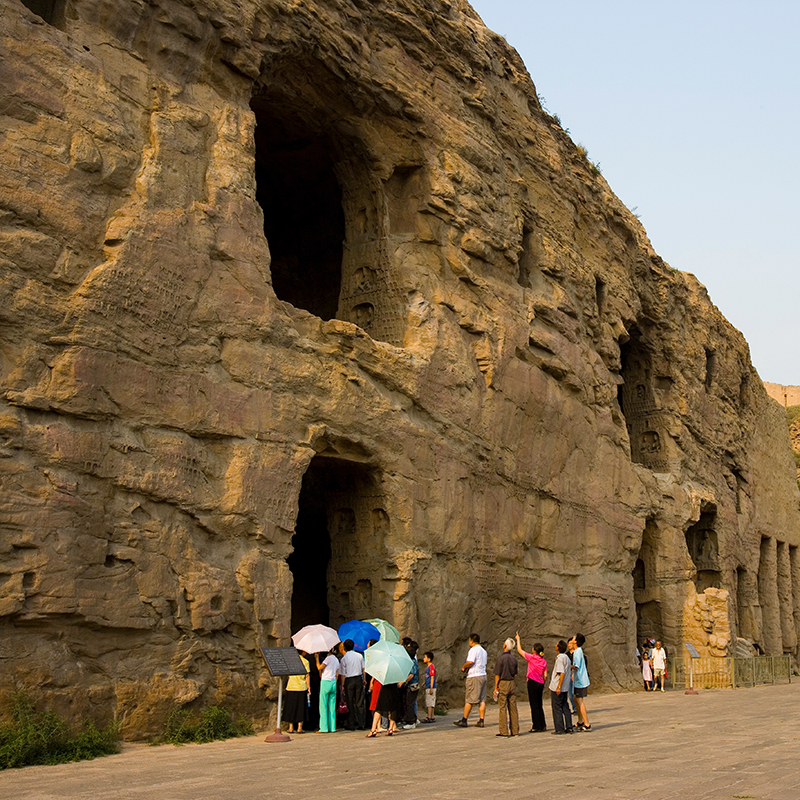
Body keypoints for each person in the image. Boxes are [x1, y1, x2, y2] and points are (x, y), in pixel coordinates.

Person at [453, 633, 487, 728]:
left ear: (471, 641)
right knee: (482, 699)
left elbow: (470, 662)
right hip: (483, 674)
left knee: (469, 699)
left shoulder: (473, 650)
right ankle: (481, 719)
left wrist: (464, 666)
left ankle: (464, 719)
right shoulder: (484, 651)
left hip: (474, 676)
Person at [516, 633, 547, 732]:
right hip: (540, 683)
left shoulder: (531, 657)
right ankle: (542, 724)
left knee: (534, 705)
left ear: (534, 650)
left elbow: (519, 650)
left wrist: (518, 639)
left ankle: (536, 726)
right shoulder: (543, 661)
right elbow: (545, 675)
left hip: (532, 682)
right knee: (539, 704)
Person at [493, 637, 520, 737]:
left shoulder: (500, 659)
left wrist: (496, 687)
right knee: (513, 707)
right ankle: (515, 730)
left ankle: (504, 731)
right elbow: (515, 673)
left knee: (502, 707)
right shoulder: (514, 659)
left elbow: (497, 675)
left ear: (504, 646)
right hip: (511, 682)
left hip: (503, 683)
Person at [339, 639, 366, 730]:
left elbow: (343, 674)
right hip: (358, 678)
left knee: (350, 702)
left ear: (345, 647)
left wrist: (342, 685)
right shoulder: (359, 656)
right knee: (359, 702)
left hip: (349, 680)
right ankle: (361, 723)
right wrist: (364, 679)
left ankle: (351, 724)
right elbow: (363, 669)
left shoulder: (344, 658)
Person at [284, 649, 310, 734]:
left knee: (290, 707)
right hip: (301, 687)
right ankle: (299, 727)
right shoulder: (305, 661)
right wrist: (309, 687)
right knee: (301, 708)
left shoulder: (291, 661)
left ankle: (290, 727)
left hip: (291, 686)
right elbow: (307, 675)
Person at [549, 640, 573, 735]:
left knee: (557, 707)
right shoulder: (566, 657)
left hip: (557, 687)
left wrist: (558, 686)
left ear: (558, 648)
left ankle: (559, 728)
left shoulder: (560, 658)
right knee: (565, 706)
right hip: (565, 687)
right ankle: (569, 726)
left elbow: (561, 673)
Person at [315, 645, 340, 733]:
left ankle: (324, 728)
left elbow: (319, 667)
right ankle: (332, 727)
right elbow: (337, 674)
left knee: (323, 705)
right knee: (332, 706)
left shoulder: (328, 659)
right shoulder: (337, 660)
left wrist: (317, 658)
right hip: (333, 682)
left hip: (326, 682)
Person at [571, 632, 591, 732]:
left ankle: (587, 724)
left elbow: (576, 666)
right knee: (575, 698)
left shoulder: (578, 651)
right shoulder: (577, 651)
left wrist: (567, 666)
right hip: (578, 681)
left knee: (580, 701)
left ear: (575, 641)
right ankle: (580, 721)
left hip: (581, 681)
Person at [403, 641, 420, 729]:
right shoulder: (413, 661)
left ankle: (411, 722)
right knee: (410, 703)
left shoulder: (412, 662)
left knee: (409, 704)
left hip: (412, 686)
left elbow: (411, 675)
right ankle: (414, 719)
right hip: (412, 685)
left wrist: (403, 682)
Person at [421, 651, 437, 723]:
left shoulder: (431, 667)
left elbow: (432, 677)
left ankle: (429, 717)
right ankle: (432, 716)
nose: (424, 659)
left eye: (425, 657)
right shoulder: (428, 667)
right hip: (428, 685)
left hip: (431, 687)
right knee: (430, 701)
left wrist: (431, 688)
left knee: (430, 702)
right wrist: (424, 682)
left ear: (429, 659)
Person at [567, 637, 578, 715]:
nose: (570, 645)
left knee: (576, 694)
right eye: (569, 643)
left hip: (576, 677)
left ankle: (577, 708)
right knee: (570, 694)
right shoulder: (566, 655)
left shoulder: (578, 653)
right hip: (568, 676)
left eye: (571, 643)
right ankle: (574, 708)